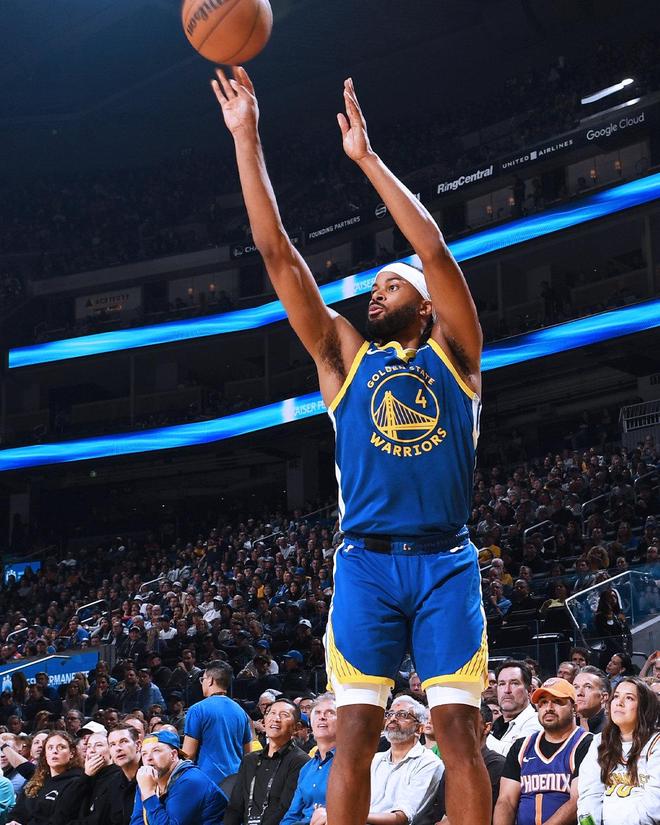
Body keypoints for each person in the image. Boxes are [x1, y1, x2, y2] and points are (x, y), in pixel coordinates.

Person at [212, 66, 489, 825]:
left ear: (426, 307)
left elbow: (433, 247)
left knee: (459, 734)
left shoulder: (457, 354)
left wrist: (366, 159)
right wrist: (247, 138)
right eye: (374, 288)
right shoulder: (344, 360)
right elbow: (277, 255)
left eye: (391, 286)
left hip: (445, 560)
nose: (375, 293)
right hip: (365, 562)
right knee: (354, 738)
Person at [493, 677, 592, 825]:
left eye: (557, 701)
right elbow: (506, 801)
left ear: (574, 708)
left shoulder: (587, 744)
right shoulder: (521, 747)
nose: (549, 707)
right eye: (543, 702)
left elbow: (576, 801)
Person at [578, 676, 660, 825]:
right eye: (616, 696)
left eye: (629, 698)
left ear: (644, 707)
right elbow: (589, 794)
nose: (619, 703)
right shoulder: (600, 741)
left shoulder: (656, 743)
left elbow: (655, 804)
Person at [224, 698, 309, 825]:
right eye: (272, 713)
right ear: (264, 720)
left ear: (296, 727)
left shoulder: (301, 761)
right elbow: (235, 807)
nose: (276, 719)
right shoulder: (250, 760)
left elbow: (286, 809)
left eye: (284, 715)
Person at [367, 695, 443, 824]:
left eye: (402, 715)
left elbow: (401, 818)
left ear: (419, 728)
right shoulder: (375, 760)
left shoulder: (429, 763)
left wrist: (354, 816)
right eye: (390, 714)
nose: (393, 718)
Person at [129, 730, 226, 825]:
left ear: (173, 754)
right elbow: (137, 821)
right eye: (144, 753)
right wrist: (147, 790)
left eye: (156, 751)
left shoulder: (191, 780)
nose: (148, 758)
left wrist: (149, 793)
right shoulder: (146, 780)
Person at [183, 660, 253, 787]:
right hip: (236, 782)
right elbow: (248, 753)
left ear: (210, 680)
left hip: (209, 783)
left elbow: (188, 754)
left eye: (202, 679)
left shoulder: (197, 710)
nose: (202, 683)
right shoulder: (241, 712)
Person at [8, 732, 87, 825]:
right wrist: (14, 821)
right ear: (45, 754)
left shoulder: (76, 782)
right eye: (50, 748)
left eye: (61, 747)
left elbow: (61, 819)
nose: (55, 751)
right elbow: (19, 811)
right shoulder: (37, 780)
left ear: (72, 753)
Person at [281, 694, 337, 825]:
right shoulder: (306, 768)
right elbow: (292, 815)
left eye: (330, 712)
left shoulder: (351, 763)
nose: (322, 717)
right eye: (317, 713)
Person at [487, 661, 542, 756]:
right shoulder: (497, 724)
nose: (507, 690)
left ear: (529, 691)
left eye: (514, 683)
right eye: (502, 684)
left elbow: (515, 756)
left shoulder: (537, 721)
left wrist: (481, 735)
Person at [69, 731, 124, 825]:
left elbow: (100, 819)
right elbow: (67, 808)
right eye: (89, 746)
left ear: (111, 750)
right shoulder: (84, 777)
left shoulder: (118, 777)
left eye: (99, 745)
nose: (92, 750)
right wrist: (86, 776)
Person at [107, 725, 141, 825]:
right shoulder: (113, 783)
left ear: (138, 745)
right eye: (112, 744)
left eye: (124, 741)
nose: (118, 748)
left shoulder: (154, 775)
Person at [574, 666, 610, 734]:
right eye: (576, 687)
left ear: (604, 697)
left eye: (588, 687)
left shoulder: (610, 731)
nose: (579, 693)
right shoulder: (567, 725)